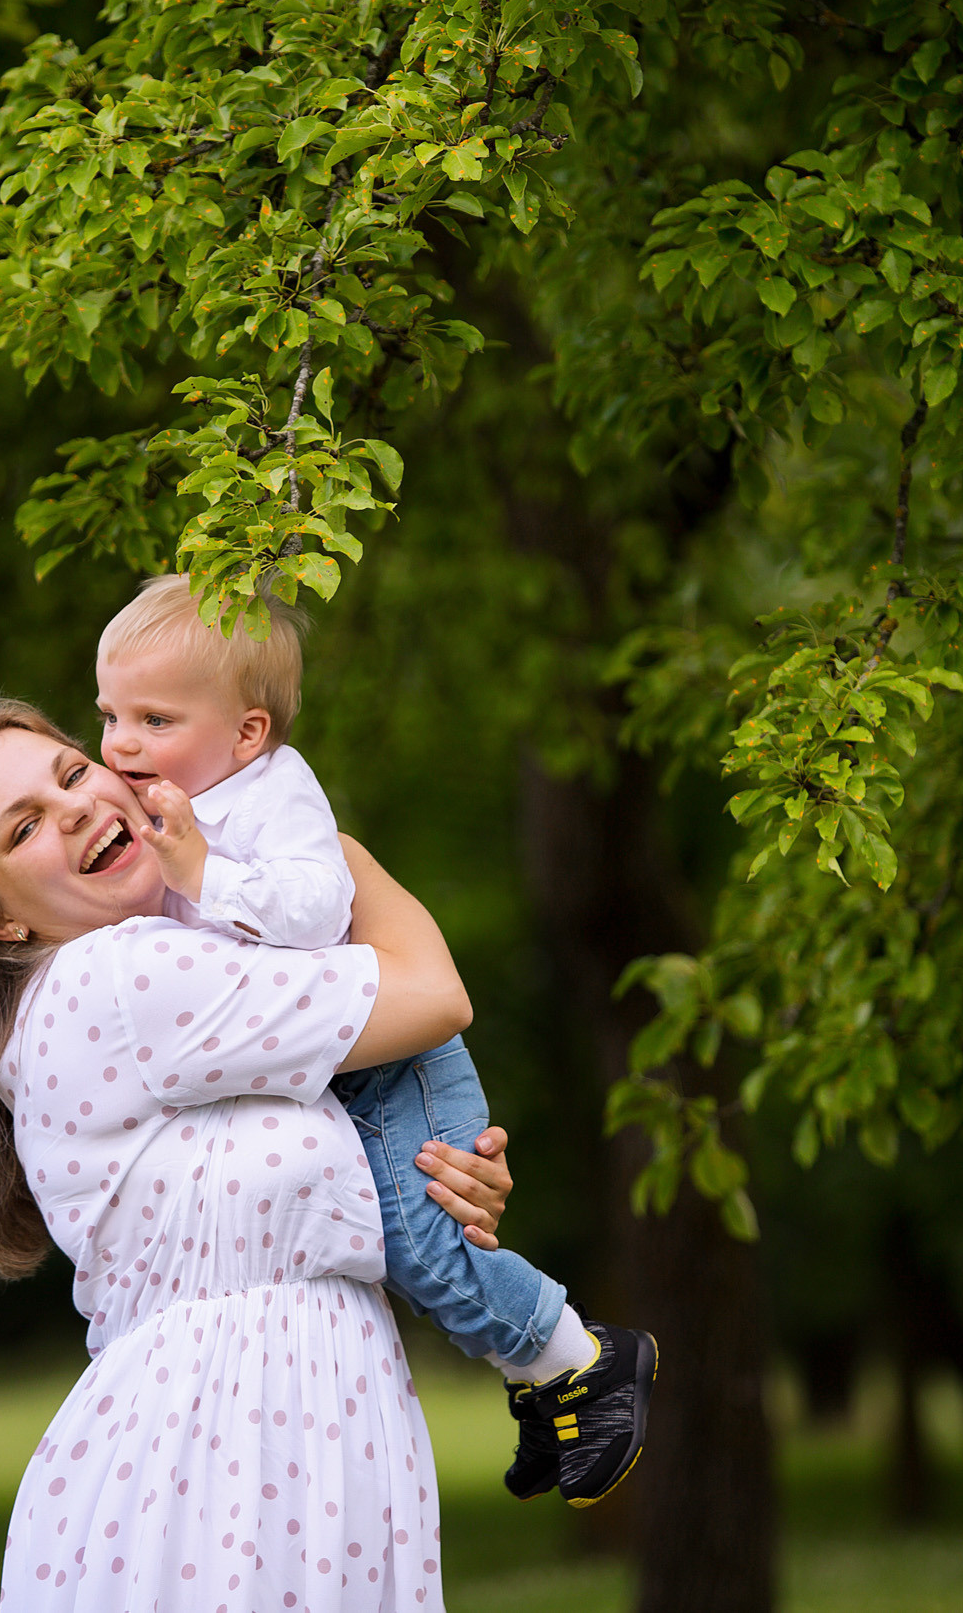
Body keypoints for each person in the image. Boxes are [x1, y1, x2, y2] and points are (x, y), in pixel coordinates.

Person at [0, 699, 523, 1610]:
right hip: (227, 1455)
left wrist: (441, 1172)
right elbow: (432, 991)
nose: (76, 806)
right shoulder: (117, 977)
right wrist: (320, 847)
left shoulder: (185, 969)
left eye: (73, 772)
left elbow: (302, 1182)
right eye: (27, 826)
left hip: (286, 1430)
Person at [94, 575, 656, 1504]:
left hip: (394, 1061)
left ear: (246, 734)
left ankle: (586, 1362)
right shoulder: (164, 799)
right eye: (111, 712)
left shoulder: (275, 799)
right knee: (408, 1236)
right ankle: (539, 1381)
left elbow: (318, 915)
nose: (120, 742)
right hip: (338, 1062)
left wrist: (201, 869)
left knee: (424, 1243)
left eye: (155, 719)